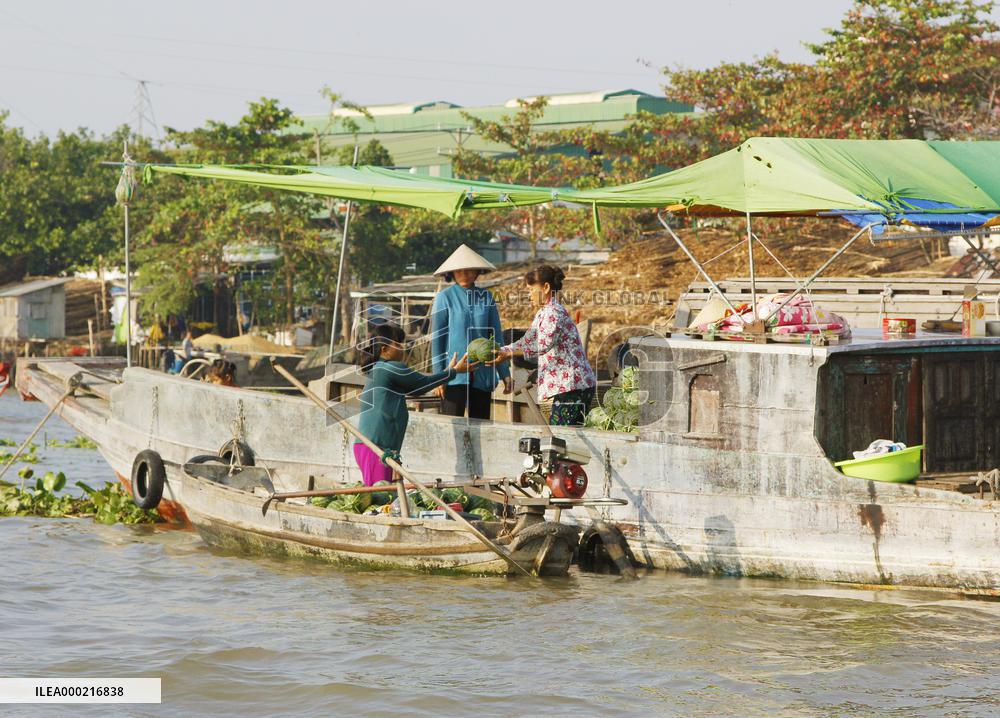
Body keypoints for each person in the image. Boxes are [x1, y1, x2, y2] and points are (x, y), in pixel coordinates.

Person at [356, 323, 477, 486]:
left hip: (373, 447)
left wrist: (448, 372)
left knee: (385, 499)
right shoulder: (391, 368)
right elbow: (423, 384)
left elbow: (416, 389)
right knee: (380, 499)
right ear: (384, 349)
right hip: (376, 448)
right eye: (397, 344)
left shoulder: (380, 370)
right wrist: (454, 371)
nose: (403, 348)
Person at [491, 265, 597, 426]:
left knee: (563, 436)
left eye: (531, 289)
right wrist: (502, 350)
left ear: (546, 287)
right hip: (567, 387)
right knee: (561, 435)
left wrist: (510, 354)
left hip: (574, 386)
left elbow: (542, 345)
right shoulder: (543, 313)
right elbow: (527, 340)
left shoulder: (554, 312)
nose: (529, 295)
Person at [429, 244, 512, 420]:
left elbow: (496, 336)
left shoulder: (487, 297)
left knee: (481, 428)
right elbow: (437, 340)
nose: (464, 274)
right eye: (459, 271)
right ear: (452, 273)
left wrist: (505, 373)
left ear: (477, 272)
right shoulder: (444, 298)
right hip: (453, 374)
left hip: (483, 373)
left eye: (469, 270)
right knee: (452, 427)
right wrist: (439, 377)